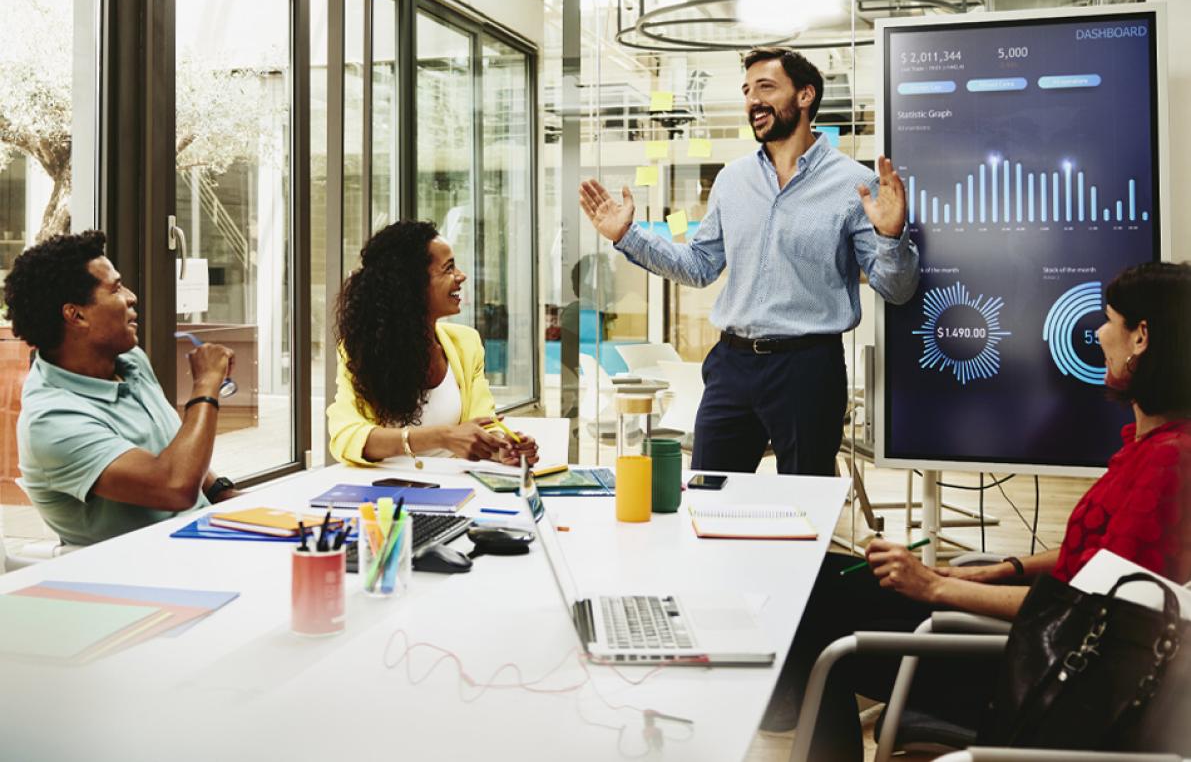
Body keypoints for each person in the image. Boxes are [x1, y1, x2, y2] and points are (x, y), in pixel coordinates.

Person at [764, 261, 1191, 760]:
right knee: (821, 580)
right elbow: (1096, 557)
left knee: (818, 610)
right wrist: (1000, 570)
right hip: (1044, 640)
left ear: (1141, 338)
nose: (1097, 334)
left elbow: (1099, 616)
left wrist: (938, 587)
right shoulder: (1154, 447)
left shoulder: (1170, 464)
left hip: (1037, 672)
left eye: (1108, 320)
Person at [580, 47, 920, 476]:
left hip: (808, 368)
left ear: (805, 96)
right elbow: (700, 265)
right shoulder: (732, 179)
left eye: (766, 87)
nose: (752, 101)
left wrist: (891, 237)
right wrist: (628, 236)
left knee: (804, 505)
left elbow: (899, 288)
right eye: (746, 91)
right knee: (711, 496)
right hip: (732, 366)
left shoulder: (854, 184)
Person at [7, 231, 238, 547]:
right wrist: (206, 385)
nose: (131, 297)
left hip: (202, 541)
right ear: (76, 315)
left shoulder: (129, 359)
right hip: (136, 571)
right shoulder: (51, 421)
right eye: (115, 289)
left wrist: (228, 494)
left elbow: (176, 448)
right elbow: (175, 486)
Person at [328, 220, 538, 467]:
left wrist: (500, 448)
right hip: (385, 494)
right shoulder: (359, 349)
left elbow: (483, 423)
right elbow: (346, 436)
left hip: (458, 491)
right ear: (411, 285)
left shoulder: (466, 343)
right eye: (448, 269)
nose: (461, 276)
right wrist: (441, 437)